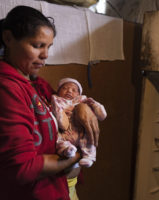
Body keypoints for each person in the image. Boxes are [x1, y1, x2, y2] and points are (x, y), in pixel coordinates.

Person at [0, 5, 100, 200]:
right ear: (8, 39)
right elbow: (24, 169)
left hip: (56, 189)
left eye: (48, 47)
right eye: (37, 46)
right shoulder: (8, 90)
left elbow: (63, 106)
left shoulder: (37, 84)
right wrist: (81, 153)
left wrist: (81, 106)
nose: (45, 55)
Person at [52, 77, 107, 168]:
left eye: (74, 90)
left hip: (80, 129)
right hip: (64, 130)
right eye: (64, 88)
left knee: (89, 138)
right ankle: (67, 149)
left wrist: (94, 104)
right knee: (59, 139)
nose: (69, 91)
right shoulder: (56, 100)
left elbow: (100, 114)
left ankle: (89, 157)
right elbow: (56, 111)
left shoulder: (82, 100)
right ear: (58, 91)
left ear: (79, 94)